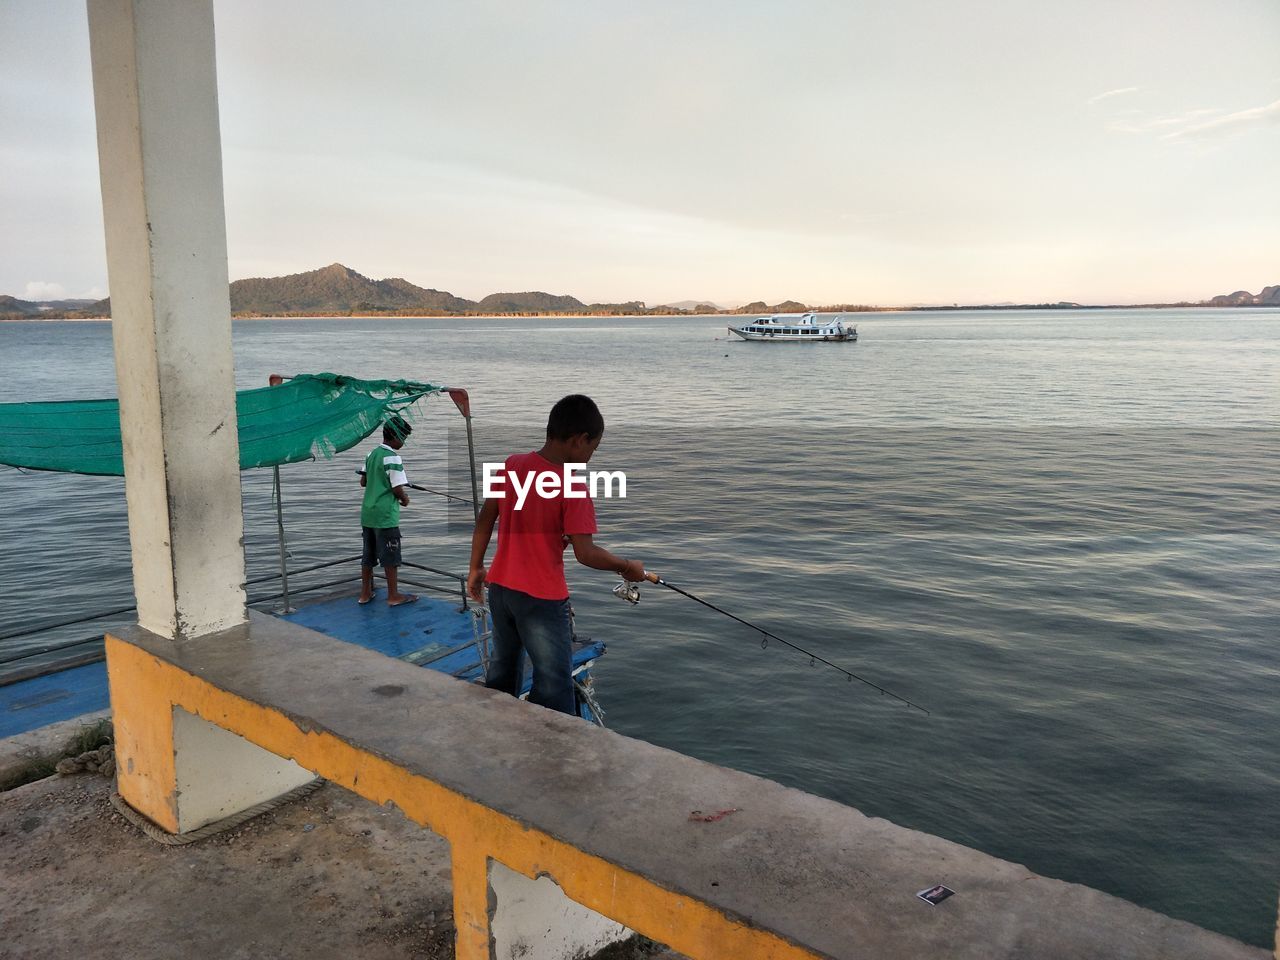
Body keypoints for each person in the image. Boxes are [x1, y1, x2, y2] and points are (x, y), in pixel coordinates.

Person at [468, 394, 645, 715]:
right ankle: (551, 754)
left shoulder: (511, 464)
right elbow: (586, 553)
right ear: (580, 440)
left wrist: (476, 567)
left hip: (502, 592)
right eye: (593, 449)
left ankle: (493, 728)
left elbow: (486, 517)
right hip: (542, 599)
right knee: (553, 685)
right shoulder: (573, 487)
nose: (591, 458)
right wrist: (627, 566)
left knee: (503, 670)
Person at [358, 415, 417, 607]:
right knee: (390, 557)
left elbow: (363, 481)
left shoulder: (371, 454)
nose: (404, 442)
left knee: (368, 556)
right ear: (396, 436)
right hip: (385, 516)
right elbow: (397, 487)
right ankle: (393, 595)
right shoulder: (393, 457)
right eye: (404, 438)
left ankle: (365, 594)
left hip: (368, 513)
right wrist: (405, 499)